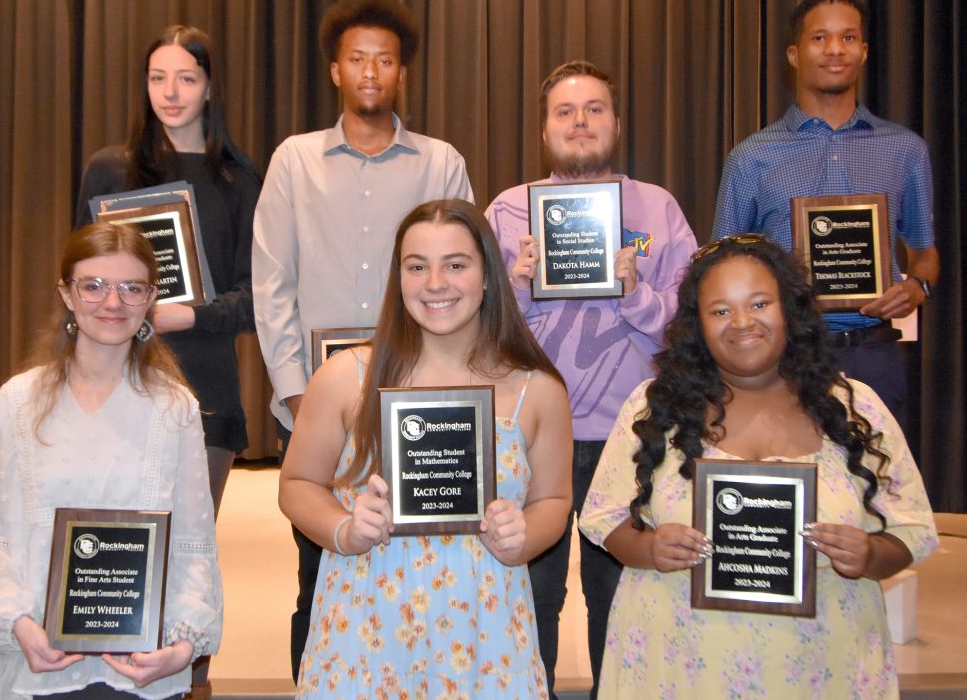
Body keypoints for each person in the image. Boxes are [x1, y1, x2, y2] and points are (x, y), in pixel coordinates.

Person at [579, 235, 938, 698]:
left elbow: (911, 529)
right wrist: (649, 550)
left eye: (760, 303)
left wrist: (870, 556)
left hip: (821, 670)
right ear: (698, 325)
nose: (742, 323)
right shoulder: (655, 408)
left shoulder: (854, 407)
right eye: (721, 310)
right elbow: (605, 519)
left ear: (788, 309)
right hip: (679, 667)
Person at [252, 0, 473, 681]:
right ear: (335, 71)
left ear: (402, 72)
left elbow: (465, 278)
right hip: (319, 408)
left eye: (385, 60)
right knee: (319, 568)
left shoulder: (441, 162)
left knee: (424, 567)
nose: (371, 71)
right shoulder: (294, 160)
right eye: (358, 59)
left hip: (422, 399)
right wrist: (293, 394)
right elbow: (271, 283)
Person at [278, 199, 572, 697]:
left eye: (455, 264)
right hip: (365, 629)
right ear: (399, 279)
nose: (435, 283)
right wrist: (344, 529)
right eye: (417, 267)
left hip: (487, 630)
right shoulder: (346, 377)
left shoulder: (536, 389)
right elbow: (297, 484)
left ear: (487, 276)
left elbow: (554, 502)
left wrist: (524, 536)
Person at [485, 60, 697, 698]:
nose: (581, 123)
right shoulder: (508, 211)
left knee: (620, 603)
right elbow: (480, 335)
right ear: (545, 129)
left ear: (617, 122)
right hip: (533, 435)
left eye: (595, 109)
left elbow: (692, 333)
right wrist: (517, 290)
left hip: (632, 436)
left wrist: (635, 296)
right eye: (565, 112)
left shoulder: (658, 207)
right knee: (532, 597)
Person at [0, 223, 223, 700]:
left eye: (131, 288)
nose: (112, 302)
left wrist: (184, 644)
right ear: (66, 293)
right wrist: (18, 621)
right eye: (94, 285)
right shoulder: (16, 403)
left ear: (150, 299)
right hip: (37, 662)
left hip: (141, 669)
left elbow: (192, 541)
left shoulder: (174, 407)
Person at [713, 0, 939, 431]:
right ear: (794, 54)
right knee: (786, 489)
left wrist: (916, 289)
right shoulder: (751, 156)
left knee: (875, 493)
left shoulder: (905, 149)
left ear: (864, 51)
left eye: (848, 38)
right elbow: (721, 268)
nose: (835, 49)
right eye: (820, 38)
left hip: (873, 354)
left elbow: (925, 254)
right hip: (782, 357)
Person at [75, 25, 261, 521]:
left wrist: (187, 317)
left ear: (210, 86)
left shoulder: (239, 179)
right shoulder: (108, 171)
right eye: (158, 78)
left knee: (191, 552)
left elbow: (255, 299)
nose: (171, 93)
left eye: (186, 78)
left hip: (206, 380)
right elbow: (78, 279)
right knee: (119, 549)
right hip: (117, 376)